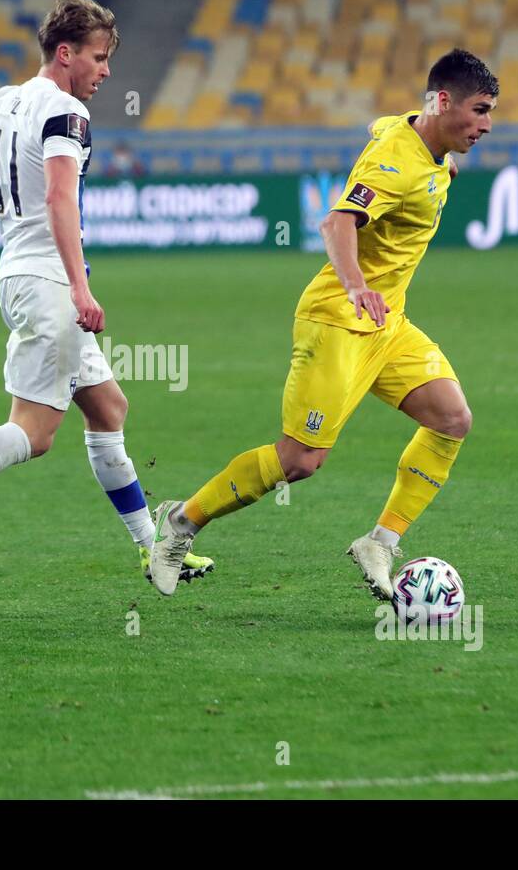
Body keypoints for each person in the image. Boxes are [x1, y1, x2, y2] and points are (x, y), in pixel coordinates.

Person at [0, 0, 212, 586]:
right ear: (66, 54)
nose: (106, 71)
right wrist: (81, 291)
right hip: (50, 282)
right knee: (34, 432)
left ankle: (154, 550)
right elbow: (60, 198)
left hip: (16, 274)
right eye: (99, 57)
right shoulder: (65, 113)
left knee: (109, 408)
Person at [146, 49, 499, 598]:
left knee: (452, 419)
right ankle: (179, 524)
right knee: (301, 461)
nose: (486, 125)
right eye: (479, 110)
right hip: (339, 318)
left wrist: (440, 161)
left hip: (388, 324)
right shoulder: (396, 162)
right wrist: (357, 285)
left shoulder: (415, 136)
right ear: (445, 101)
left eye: (491, 112)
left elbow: (383, 124)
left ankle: (380, 542)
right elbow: (337, 221)